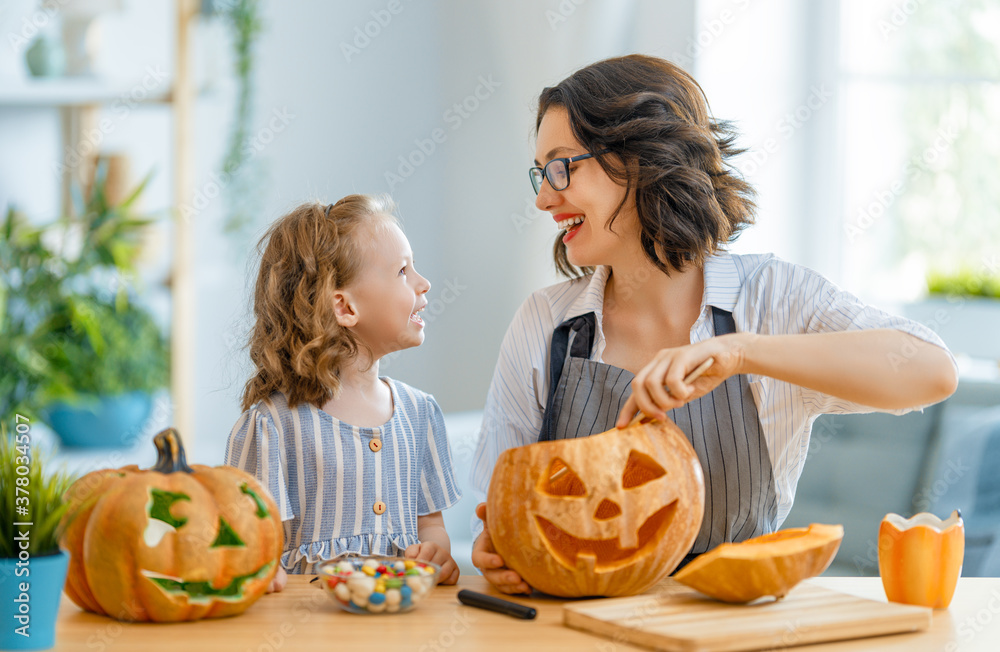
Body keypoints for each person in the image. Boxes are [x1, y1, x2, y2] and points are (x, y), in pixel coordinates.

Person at [470, 54, 958, 594]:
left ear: (642, 158)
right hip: (579, 626)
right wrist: (497, 550)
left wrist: (742, 353)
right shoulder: (545, 322)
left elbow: (932, 370)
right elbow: (501, 508)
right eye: (541, 173)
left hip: (737, 626)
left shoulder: (773, 299)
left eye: (563, 166)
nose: (543, 197)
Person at [225, 194, 462, 594]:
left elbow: (431, 527)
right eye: (403, 271)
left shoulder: (421, 413)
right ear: (344, 307)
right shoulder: (271, 427)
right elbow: (249, 551)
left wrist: (435, 555)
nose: (424, 283)